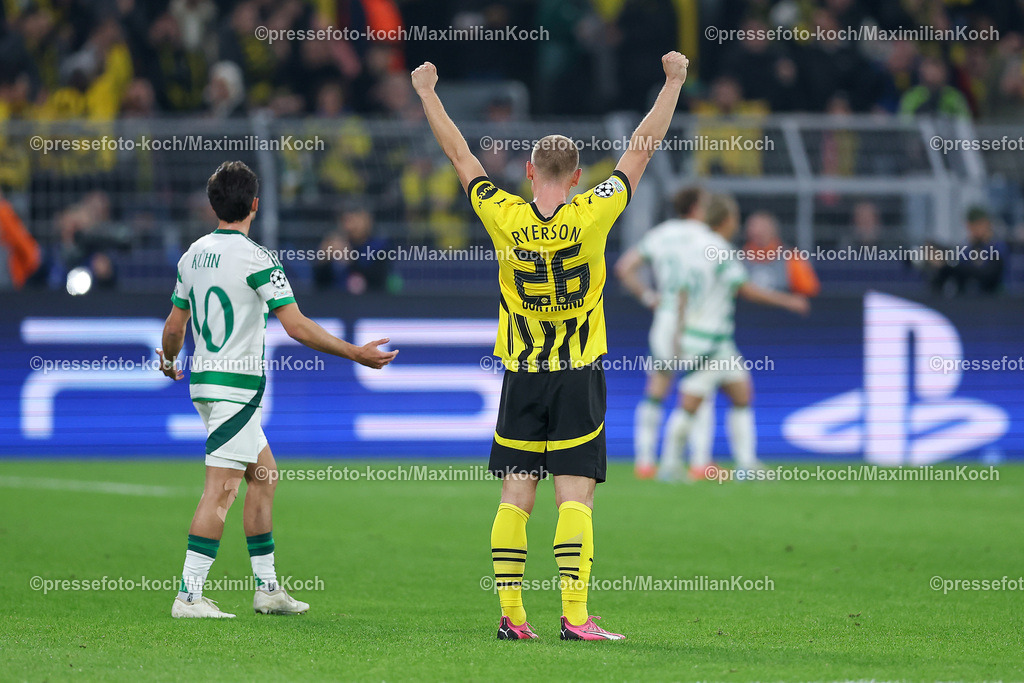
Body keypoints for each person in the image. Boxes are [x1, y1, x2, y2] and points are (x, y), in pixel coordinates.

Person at [412, 51, 690, 641]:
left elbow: (459, 155)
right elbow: (640, 148)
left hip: (521, 373)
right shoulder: (593, 213)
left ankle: (513, 617)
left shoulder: (504, 213)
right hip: (577, 374)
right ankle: (575, 616)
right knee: (575, 497)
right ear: (578, 177)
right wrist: (673, 82)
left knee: (516, 494)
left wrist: (429, 94)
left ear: (531, 174)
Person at [158, 161, 398, 618]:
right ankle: (188, 596)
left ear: (213, 205)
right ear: (254, 204)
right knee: (222, 491)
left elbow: (174, 325)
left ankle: (267, 590)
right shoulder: (258, 259)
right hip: (236, 388)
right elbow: (297, 327)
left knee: (264, 476)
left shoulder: (192, 255)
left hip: (206, 385)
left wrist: (169, 359)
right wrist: (355, 353)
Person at [653, 194, 809, 481]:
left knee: (741, 393)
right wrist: (788, 302)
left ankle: (745, 463)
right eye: (735, 217)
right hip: (710, 340)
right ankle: (670, 464)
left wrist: (679, 333)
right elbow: (745, 289)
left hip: (705, 337)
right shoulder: (720, 250)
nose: (737, 223)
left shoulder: (693, 248)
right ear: (726, 220)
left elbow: (682, 293)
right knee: (691, 403)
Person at [614, 185, 711, 479]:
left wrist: (648, 297)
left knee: (656, 388)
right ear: (695, 207)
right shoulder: (707, 238)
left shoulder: (661, 234)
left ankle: (644, 461)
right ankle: (697, 462)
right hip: (696, 316)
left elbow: (624, 267)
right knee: (699, 387)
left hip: (665, 314)